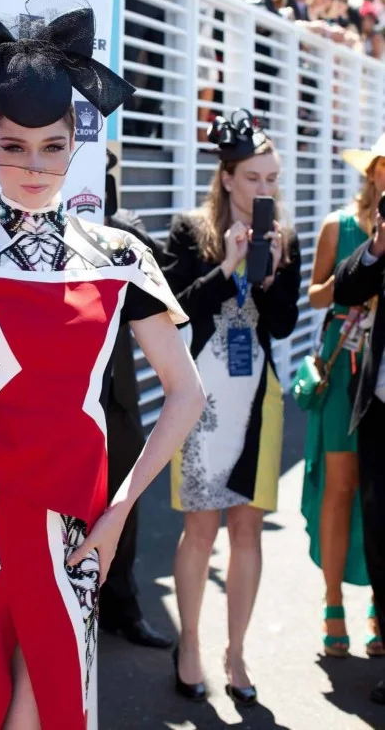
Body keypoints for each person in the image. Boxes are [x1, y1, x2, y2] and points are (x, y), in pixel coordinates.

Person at [0, 0, 205, 729]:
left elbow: (184, 393)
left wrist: (121, 510)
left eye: (53, 146)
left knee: (47, 710)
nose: (35, 166)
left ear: (77, 140)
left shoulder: (121, 256)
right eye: (14, 147)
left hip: (72, 523)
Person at [164, 110, 301, 707]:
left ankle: (237, 651)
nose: (265, 189)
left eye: (272, 178)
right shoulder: (191, 232)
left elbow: (285, 325)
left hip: (256, 398)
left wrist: (268, 280)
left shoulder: (284, 238)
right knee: (200, 528)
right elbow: (175, 310)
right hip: (201, 397)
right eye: (253, 178)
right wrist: (227, 269)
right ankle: (189, 643)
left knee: (248, 529)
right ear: (225, 178)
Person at [302, 150, 384, 657]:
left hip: (381, 372)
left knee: (380, 495)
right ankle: (332, 602)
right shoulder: (339, 225)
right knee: (341, 487)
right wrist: (358, 275)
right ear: (372, 171)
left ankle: (380, 604)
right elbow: (314, 296)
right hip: (343, 364)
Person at [99, 151, 173, 649]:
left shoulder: (123, 231)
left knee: (125, 507)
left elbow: (170, 276)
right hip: (56, 399)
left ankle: (123, 609)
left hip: (118, 395)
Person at [334, 132, 385, 705]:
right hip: (380, 411)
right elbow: (347, 287)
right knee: (380, 538)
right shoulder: (378, 237)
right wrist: (379, 244)